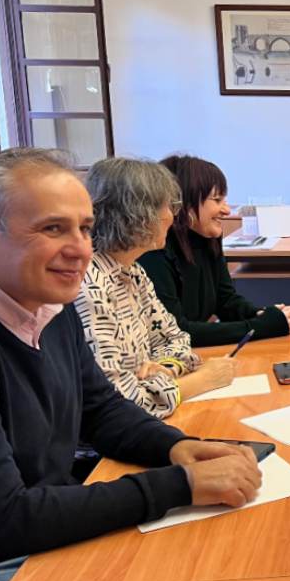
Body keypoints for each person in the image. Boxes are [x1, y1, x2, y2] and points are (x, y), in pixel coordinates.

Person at [0, 148, 262, 581]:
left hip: (34, 533)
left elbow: (100, 407)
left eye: (85, 228)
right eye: (52, 229)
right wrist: (178, 485)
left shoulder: (40, 296)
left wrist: (174, 446)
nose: (81, 249)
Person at [76, 158, 237, 417]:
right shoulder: (89, 287)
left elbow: (176, 338)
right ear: (139, 214)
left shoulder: (133, 272)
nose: (173, 217)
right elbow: (120, 405)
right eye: (169, 206)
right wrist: (199, 381)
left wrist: (168, 367)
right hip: (107, 450)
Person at [139, 155, 290, 346]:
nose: (227, 210)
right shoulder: (154, 251)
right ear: (183, 203)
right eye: (217, 199)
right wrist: (258, 327)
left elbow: (225, 300)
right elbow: (178, 331)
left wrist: (259, 314)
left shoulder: (208, 238)